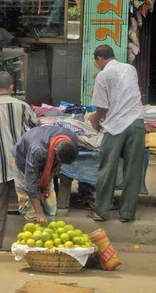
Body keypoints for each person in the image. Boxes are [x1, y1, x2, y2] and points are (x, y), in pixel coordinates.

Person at [0, 72, 38, 250]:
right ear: (12, 88)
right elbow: (34, 128)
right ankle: (33, 242)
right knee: (28, 200)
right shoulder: (23, 106)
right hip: (20, 162)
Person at [89, 45, 145, 222]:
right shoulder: (130, 69)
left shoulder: (103, 75)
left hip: (115, 127)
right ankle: (128, 214)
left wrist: (94, 120)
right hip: (136, 123)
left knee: (107, 169)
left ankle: (101, 211)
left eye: (96, 62)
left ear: (99, 59)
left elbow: (102, 108)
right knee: (133, 170)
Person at [11, 126, 78, 226]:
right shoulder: (38, 150)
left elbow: (55, 167)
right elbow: (30, 185)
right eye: (60, 160)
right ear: (55, 151)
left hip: (45, 156)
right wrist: (39, 213)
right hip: (22, 157)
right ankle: (34, 226)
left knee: (48, 192)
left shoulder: (72, 139)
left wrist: (46, 181)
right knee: (26, 195)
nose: (60, 163)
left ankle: (50, 224)